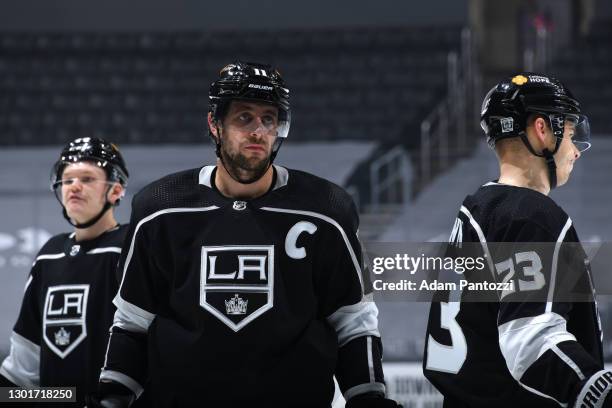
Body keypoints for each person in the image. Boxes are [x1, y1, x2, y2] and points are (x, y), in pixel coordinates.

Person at [88, 61, 400, 408]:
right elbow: (133, 320)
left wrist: (368, 396)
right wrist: (114, 396)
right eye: (244, 118)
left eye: (269, 119)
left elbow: (353, 319)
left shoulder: (327, 209)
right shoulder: (160, 208)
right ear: (214, 124)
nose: (258, 131)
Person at [423, 73, 609, 407]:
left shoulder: (479, 208)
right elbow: (530, 340)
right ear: (542, 130)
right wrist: (595, 390)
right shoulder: (530, 216)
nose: (576, 151)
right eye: (569, 134)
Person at [0, 137, 130, 407]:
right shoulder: (50, 254)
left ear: (116, 190)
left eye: (87, 178)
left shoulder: (131, 247)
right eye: (68, 179)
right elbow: (24, 365)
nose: (74, 187)